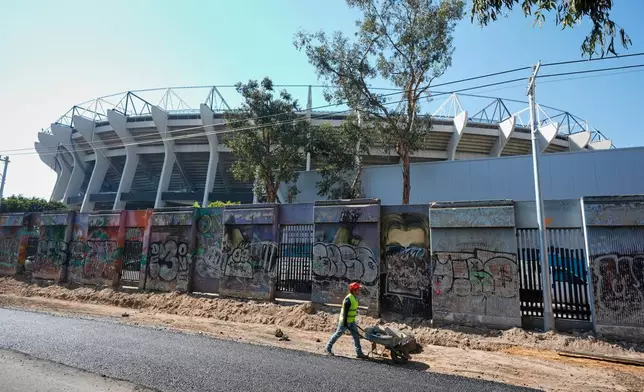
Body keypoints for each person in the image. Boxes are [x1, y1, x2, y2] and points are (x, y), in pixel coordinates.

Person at [324, 282, 368, 359]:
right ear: (354, 290)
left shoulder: (354, 297)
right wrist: (345, 323)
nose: (359, 291)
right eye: (357, 289)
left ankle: (359, 353)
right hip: (345, 321)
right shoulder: (348, 299)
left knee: (356, 336)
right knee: (338, 334)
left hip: (351, 321)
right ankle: (327, 348)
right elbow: (345, 312)